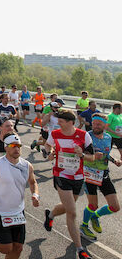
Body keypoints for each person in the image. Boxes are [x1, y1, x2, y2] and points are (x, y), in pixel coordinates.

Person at [43, 110, 98, 259]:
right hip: (61, 175)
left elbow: (91, 157)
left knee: (68, 206)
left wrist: (81, 154)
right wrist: (49, 153)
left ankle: (51, 214)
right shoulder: (55, 134)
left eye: (61, 121)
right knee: (72, 212)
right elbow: (48, 146)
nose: (58, 123)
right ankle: (80, 249)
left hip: (78, 177)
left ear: (70, 122)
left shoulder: (83, 135)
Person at [0, 134, 40, 259]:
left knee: (18, 248)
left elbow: (33, 182)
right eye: (12, 146)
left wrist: (35, 195)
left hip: (18, 212)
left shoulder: (27, 165)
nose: (16, 149)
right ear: (6, 147)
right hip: (0, 212)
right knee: (6, 248)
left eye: (18, 146)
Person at [79, 113, 121, 240]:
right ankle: (84, 226)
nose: (95, 125)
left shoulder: (108, 137)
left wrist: (115, 161)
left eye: (99, 123)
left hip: (103, 174)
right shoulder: (86, 136)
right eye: (94, 123)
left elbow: (106, 154)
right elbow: (78, 153)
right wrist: (91, 157)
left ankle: (95, 216)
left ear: (105, 125)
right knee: (93, 205)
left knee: (115, 207)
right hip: (89, 174)